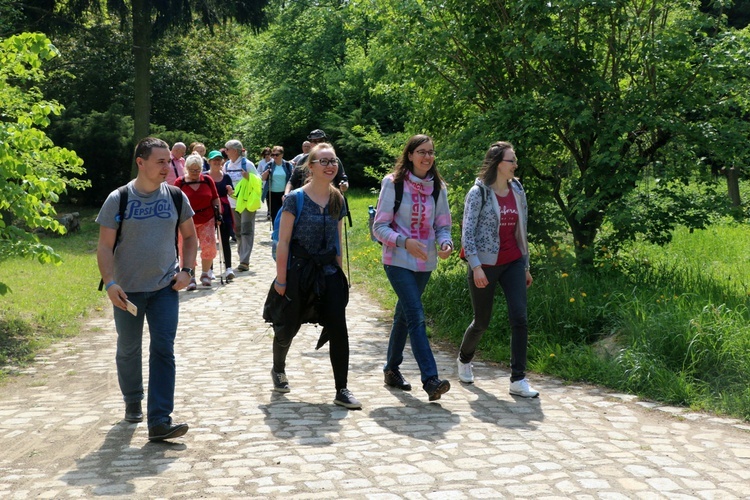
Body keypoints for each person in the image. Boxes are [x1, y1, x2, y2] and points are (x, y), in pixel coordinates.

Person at [96, 136, 196, 441]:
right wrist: (110, 283)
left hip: (165, 287)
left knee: (163, 349)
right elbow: (104, 245)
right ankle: (132, 400)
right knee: (128, 348)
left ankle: (159, 420)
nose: (167, 167)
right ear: (141, 162)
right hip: (127, 292)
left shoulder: (177, 197)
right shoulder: (119, 198)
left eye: (169, 161)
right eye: (160, 162)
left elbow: (190, 237)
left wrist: (188, 271)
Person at [266, 142, 361, 409]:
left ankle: (342, 388)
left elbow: (337, 239)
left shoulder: (337, 199)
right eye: (324, 161)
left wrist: (340, 274)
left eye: (333, 161)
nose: (330, 166)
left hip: (328, 271)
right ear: (311, 166)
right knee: (287, 326)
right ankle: (278, 368)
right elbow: (283, 242)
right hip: (298, 271)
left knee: (338, 328)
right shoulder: (294, 199)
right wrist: (281, 279)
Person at [373, 134, 454, 401]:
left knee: (404, 315)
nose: (427, 157)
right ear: (409, 155)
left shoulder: (439, 187)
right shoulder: (393, 183)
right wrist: (404, 242)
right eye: (421, 152)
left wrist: (444, 243)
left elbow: (443, 226)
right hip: (397, 260)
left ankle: (391, 369)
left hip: (425, 262)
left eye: (431, 152)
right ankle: (431, 379)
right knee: (416, 315)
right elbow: (379, 227)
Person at [457, 141, 538, 398]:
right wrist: (476, 267)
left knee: (520, 318)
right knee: (481, 321)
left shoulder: (517, 189)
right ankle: (464, 358)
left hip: (513, 260)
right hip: (485, 264)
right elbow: (467, 233)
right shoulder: (478, 192)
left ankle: (518, 379)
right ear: (497, 164)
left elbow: (521, 229)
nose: (516, 165)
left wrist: (525, 265)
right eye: (511, 160)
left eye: (515, 160)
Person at [176, 153, 221, 289]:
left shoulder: (207, 180)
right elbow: (175, 202)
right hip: (186, 220)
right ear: (186, 168)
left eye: (198, 170)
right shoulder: (180, 182)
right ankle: (190, 277)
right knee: (187, 249)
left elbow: (215, 197)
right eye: (192, 170)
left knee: (209, 246)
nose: (195, 173)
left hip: (206, 217)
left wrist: (219, 214)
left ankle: (205, 274)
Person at [224, 139, 260, 272]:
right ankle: (242, 256)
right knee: (237, 230)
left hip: (246, 203)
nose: (226, 152)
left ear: (234, 150)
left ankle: (245, 261)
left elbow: (258, 182)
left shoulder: (247, 164)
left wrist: (248, 178)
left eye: (227, 149)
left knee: (246, 230)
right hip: (232, 202)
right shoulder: (226, 165)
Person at [206, 150, 235, 282]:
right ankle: (209, 269)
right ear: (209, 162)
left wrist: (231, 191)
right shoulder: (205, 177)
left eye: (219, 160)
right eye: (214, 160)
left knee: (225, 239)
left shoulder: (227, 177)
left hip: (224, 209)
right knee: (210, 240)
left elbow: (233, 194)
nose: (217, 162)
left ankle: (228, 267)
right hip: (209, 210)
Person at [261, 145, 294, 223]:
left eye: (277, 155)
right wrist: (266, 173)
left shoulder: (287, 165)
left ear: (282, 154)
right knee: (274, 215)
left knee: (285, 214)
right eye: (273, 155)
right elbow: (262, 178)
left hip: (284, 194)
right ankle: (275, 233)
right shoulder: (269, 165)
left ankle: (283, 232)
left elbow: (292, 178)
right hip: (272, 194)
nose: (274, 157)